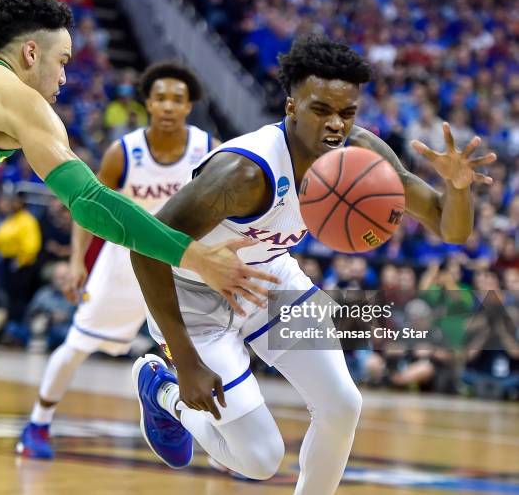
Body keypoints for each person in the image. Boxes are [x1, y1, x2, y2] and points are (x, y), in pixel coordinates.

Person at [130, 36, 496, 494]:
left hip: (268, 279)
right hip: (192, 297)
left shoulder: (362, 154)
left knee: (343, 405)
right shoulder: (244, 173)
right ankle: (160, 390)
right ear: (291, 107)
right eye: (321, 110)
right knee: (260, 459)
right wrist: (184, 364)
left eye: (347, 113)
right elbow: (145, 249)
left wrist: (458, 188)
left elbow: (451, 229)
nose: (336, 125)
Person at [0, 0, 276, 431]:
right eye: (61, 60)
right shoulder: (18, 99)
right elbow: (88, 200)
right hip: (137, 253)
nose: (64, 77)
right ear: (30, 52)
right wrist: (195, 254)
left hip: (136, 254)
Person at [17, 61, 220, 458]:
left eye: (177, 99)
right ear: (147, 102)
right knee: (77, 344)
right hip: (126, 262)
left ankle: (224, 446)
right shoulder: (123, 153)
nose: (167, 106)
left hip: (182, 264)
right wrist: (78, 261)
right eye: (159, 97)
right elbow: (87, 206)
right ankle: (37, 424)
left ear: (189, 106)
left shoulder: (206, 148)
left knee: (206, 352)